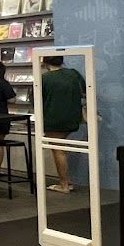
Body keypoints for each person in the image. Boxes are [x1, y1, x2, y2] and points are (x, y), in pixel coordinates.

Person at [40, 55, 86, 193]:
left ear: (45, 62)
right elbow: (84, 91)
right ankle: (67, 181)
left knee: (58, 150)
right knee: (61, 148)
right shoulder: (73, 74)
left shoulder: (44, 78)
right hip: (73, 117)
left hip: (53, 118)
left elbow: (35, 98)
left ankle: (64, 184)